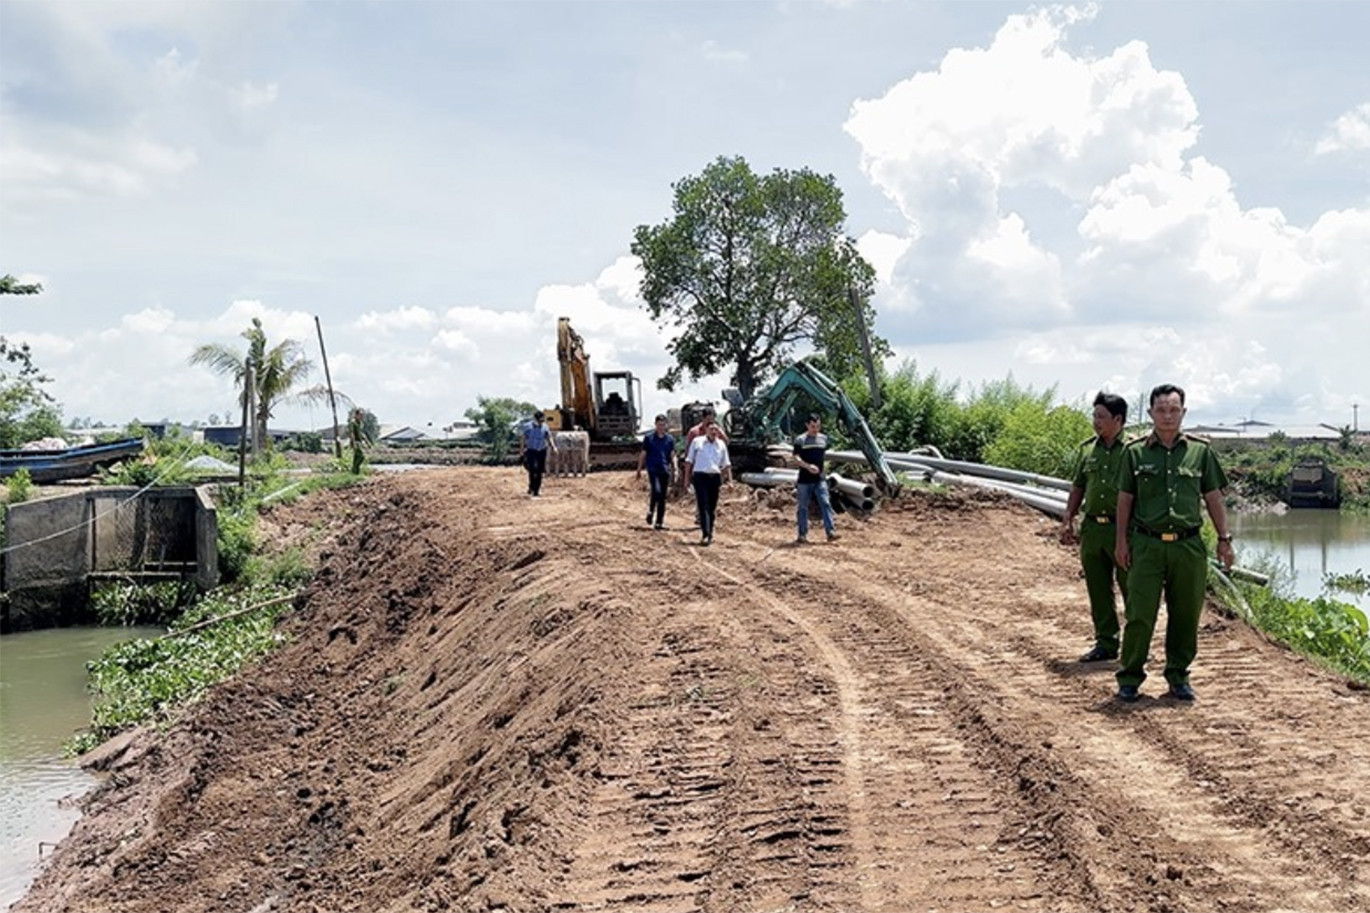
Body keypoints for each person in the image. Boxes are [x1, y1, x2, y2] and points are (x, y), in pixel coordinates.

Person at [1113, 384, 1234, 703]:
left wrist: (1224, 539)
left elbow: (1213, 498)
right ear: (1151, 412)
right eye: (1161, 409)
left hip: (1188, 546)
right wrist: (1121, 543)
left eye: (1174, 409)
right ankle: (1130, 677)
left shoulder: (1200, 452)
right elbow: (1124, 500)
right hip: (1146, 545)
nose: (1168, 415)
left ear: (1184, 412)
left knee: (1186, 613)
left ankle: (1178, 675)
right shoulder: (1134, 452)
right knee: (1140, 613)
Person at [1057, 392, 1129, 661]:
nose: (1095, 421)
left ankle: (1135, 646)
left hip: (1123, 530)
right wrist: (1069, 518)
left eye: (1101, 416)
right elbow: (1078, 486)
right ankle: (1106, 643)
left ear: (1118, 419)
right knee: (1098, 589)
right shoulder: (1088, 449)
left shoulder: (1133, 451)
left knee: (1131, 589)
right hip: (1093, 529)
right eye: (1094, 415)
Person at [683, 419, 731, 546]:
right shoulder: (697, 442)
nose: (714, 432)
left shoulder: (721, 445)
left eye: (716, 429)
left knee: (712, 507)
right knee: (703, 505)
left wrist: (729, 481)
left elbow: (726, 464)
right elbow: (689, 461)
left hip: (715, 478)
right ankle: (706, 534)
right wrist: (687, 479)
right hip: (700, 477)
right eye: (711, 429)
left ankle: (710, 532)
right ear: (706, 430)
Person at [793, 413, 838, 543]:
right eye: (813, 426)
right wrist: (807, 466)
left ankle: (830, 532)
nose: (816, 429)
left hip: (819, 479)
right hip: (804, 480)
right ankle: (802, 534)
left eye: (818, 426)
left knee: (825, 503)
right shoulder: (800, 440)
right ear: (807, 425)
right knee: (802, 506)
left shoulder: (823, 439)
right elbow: (795, 457)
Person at [636, 413, 678, 529]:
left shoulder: (670, 439)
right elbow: (643, 454)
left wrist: (675, 468)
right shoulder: (649, 438)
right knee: (657, 491)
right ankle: (650, 510)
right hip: (653, 469)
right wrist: (639, 469)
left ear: (666, 426)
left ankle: (659, 522)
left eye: (663, 425)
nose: (661, 427)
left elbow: (672, 454)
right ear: (655, 425)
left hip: (664, 469)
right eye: (659, 424)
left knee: (662, 496)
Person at [519, 412, 557, 497]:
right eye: (540, 421)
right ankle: (532, 487)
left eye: (542, 421)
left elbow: (549, 437)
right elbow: (523, 439)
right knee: (532, 469)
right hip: (531, 450)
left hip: (542, 450)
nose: (541, 422)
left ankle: (537, 490)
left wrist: (553, 446)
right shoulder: (527, 427)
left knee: (540, 470)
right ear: (535, 419)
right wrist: (521, 452)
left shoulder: (545, 427)